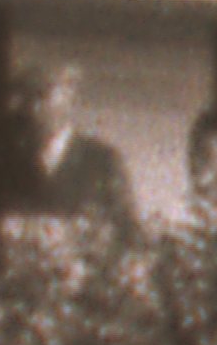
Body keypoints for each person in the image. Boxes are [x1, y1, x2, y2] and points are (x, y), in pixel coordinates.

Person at [12, 61, 141, 258]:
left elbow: (127, 231)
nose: (34, 108)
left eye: (42, 96)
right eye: (27, 99)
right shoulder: (10, 161)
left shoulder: (102, 161)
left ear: (69, 100)